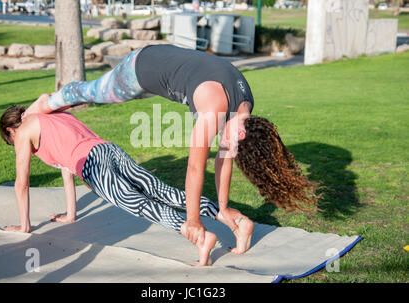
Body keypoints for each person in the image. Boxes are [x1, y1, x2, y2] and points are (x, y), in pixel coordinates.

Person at [24, 45, 318, 251]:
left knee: (94, 95)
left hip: (165, 62)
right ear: (243, 130)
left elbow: (224, 160)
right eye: (230, 143)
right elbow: (194, 168)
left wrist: (225, 207)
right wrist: (192, 221)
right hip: (140, 68)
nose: (225, 146)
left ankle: (53, 104)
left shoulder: (245, 110)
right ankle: (46, 102)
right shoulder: (216, 109)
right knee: (94, 93)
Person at [0, 106, 255, 266]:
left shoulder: (23, 131)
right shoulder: (52, 115)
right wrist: (71, 214)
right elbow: (67, 168)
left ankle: (200, 238)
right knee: (163, 191)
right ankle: (234, 220)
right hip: (109, 149)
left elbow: (22, 183)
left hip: (92, 164)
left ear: (12, 129)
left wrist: (24, 226)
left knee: (140, 204)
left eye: (11, 140)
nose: (17, 144)